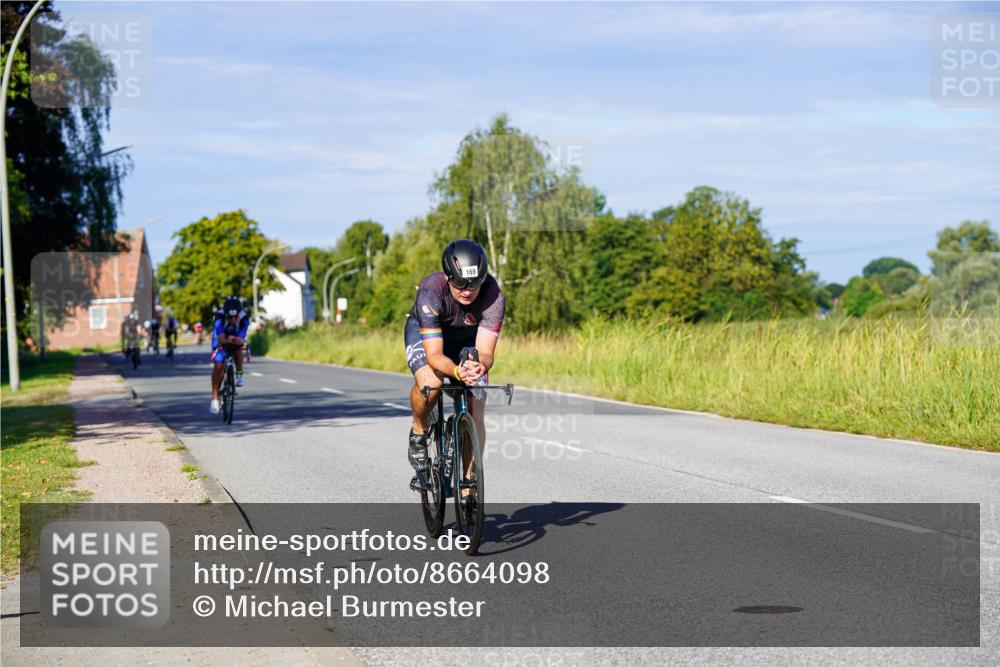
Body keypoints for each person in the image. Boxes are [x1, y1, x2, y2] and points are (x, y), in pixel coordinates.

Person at [404, 239, 505, 492]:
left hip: (466, 342)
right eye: (460, 284)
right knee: (432, 383)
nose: (467, 290)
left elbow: (486, 353)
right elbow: (435, 355)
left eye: (474, 283)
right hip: (429, 337)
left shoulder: (493, 295)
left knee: (476, 405)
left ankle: (469, 484)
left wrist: (479, 367)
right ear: (448, 277)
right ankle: (419, 429)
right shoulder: (431, 291)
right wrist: (457, 371)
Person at [209, 296, 249, 414]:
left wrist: (236, 340)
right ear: (225, 314)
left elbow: (241, 339)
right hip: (220, 338)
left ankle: (239, 374)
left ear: (239, 314)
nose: (232, 319)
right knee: (219, 364)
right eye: (230, 317)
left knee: (238, 350)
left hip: (235, 336)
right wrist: (228, 340)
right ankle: (214, 399)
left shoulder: (244, 318)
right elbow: (220, 338)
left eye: (235, 317)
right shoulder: (219, 317)